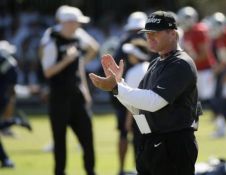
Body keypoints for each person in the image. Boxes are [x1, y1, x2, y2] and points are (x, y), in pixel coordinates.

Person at [89, 11, 200, 175]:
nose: (149, 37)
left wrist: (117, 87)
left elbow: (154, 102)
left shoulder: (180, 63)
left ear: (173, 33)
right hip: (152, 143)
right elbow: (139, 105)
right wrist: (119, 85)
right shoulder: (156, 62)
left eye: (155, 33)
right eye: (147, 33)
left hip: (173, 145)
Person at [40, 5, 99, 175]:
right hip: (58, 98)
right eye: (76, 23)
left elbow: (79, 64)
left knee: (87, 137)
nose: (79, 26)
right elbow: (48, 71)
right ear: (67, 23)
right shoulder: (52, 40)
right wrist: (66, 60)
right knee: (60, 141)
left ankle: (91, 171)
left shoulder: (77, 37)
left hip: (77, 96)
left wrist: (86, 91)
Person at [110, 11, 147, 175]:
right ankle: (134, 169)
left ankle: (136, 169)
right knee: (142, 134)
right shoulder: (152, 43)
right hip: (137, 99)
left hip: (133, 99)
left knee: (139, 134)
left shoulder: (125, 43)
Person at [177, 7, 217, 109]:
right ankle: (195, 119)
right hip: (195, 69)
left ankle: (220, 121)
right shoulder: (185, 33)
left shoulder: (199, 30)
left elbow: (204, 54)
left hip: (205, 68)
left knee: (208, 98)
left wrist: (189, 61)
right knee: (194, 98)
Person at [0, 40, 32, 168]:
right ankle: (16, 122)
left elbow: (12, 88)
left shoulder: (8, 63)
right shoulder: (11, 64)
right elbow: (12, 88)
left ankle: (6, 160)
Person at [122, 38, 151, 170]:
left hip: (139, 117)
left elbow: (131, 100)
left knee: (140, 148)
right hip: (155, 116)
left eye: (131, 54)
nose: (129, 56)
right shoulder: (151, 67)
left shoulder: (133, 72)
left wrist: (128, 121)